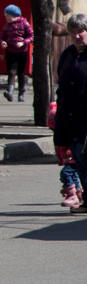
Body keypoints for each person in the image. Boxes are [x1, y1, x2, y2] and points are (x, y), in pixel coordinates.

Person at [53, 13, 87, 214]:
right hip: (71, 118)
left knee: (84, 157)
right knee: (79, 160)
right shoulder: (67, 56)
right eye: (73, 33)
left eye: (81, 32)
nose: (76, 36)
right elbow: (62, 88)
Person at [47, 99, 83, 208]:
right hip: (70, 158)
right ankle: (78, 193)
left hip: (74, 157)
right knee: (74, 175)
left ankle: (72, 193)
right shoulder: (60, 134)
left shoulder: (69, 132)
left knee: (66, 173)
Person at [0, 4, 33, 102]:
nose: (5, 17)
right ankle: (9, 92)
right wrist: (2, 42)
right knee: (11, 72)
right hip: (10, 51)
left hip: (22, 52)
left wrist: (23, 42)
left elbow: (31, 36)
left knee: (21, 73)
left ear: (13, 15)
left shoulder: (24, 24)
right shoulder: (6, 26)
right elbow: (2, 37)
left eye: (7, 15)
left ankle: (21, 93)